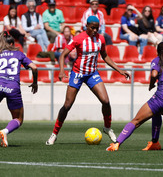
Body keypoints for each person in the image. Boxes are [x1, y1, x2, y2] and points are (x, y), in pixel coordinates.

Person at [46, 16, 130, 145]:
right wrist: (61, 71)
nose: (95, 30)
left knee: (106, 101)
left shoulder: (100, 39)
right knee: (67, 105)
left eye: (97, 27)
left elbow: (105, 56)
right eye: (92, 27)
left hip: (92, 74)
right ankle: (54, 134)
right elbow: (63, 55)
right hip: (77, 74)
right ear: (87, 26)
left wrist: (119, 70)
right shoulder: (78, 38)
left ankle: (107, 128)